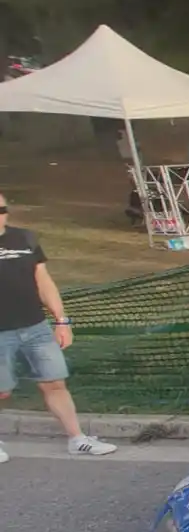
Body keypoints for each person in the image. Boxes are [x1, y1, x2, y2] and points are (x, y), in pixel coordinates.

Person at [0, 191, 118, 461]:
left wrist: (61, 320)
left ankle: (77, 438)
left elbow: (43, 281)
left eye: (2, 210)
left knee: (54, 383)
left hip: (35, 327)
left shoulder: (25, 239)